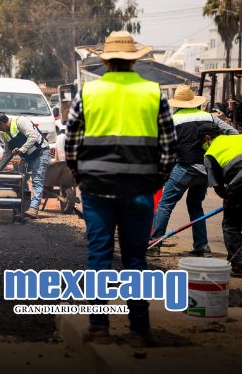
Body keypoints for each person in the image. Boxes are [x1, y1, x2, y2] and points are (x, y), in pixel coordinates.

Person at [65, 31, 176, 346]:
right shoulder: (153, 93)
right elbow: (169, 147)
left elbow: (72, 142)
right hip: (139, 190)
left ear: (106, 60)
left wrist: (80, 175)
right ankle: (139, 331)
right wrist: (157, 179)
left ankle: (99, 327)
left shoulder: (88, 93)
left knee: (99, 256)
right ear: (134, 60)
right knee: (136, 261)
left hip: (96, 190)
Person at [149, 85, 237, 255]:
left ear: (176, 104)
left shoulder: (172, 120)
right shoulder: (210, 117)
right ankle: (201, 246)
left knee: (166, 204)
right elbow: (232, 132)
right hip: (206, 169)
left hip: (184, 167)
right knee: (195, 205)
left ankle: (154, 244)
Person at [201, 129, 242, 278]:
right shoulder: (237, 137)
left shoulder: (210, 153)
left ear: (207, 138)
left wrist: (229, 199)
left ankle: (238, 264)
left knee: (232, 224)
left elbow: (218, 187)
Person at [0, 111, 49, 214]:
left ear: (1, 123)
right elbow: (7, 152)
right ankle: (25, 206)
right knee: (21, 179)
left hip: (40, 153)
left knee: (37, 181)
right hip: (27, 157)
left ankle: (34, 208)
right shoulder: (5, 134)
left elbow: (33, 136)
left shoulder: (21, 121)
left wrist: (22, 149)